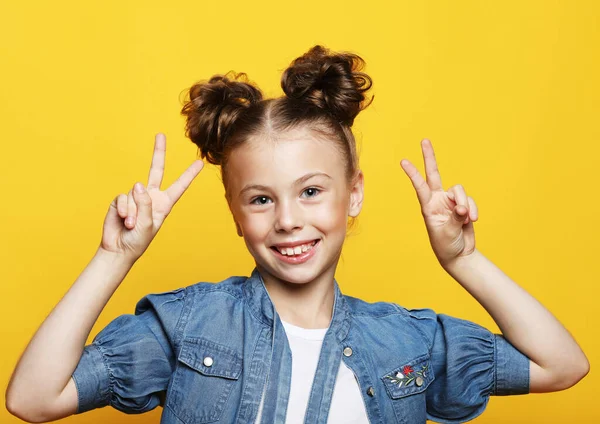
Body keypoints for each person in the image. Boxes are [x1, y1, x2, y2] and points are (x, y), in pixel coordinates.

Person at [6, 45, 589, 424]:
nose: (287, 219)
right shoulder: (188, 327)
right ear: (236, 214)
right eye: (261, 199)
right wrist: (114, 258)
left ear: (353, 192)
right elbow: (31, 400)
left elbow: (563, 365)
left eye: (311, 191)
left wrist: (465, 260)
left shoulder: (406, 343)